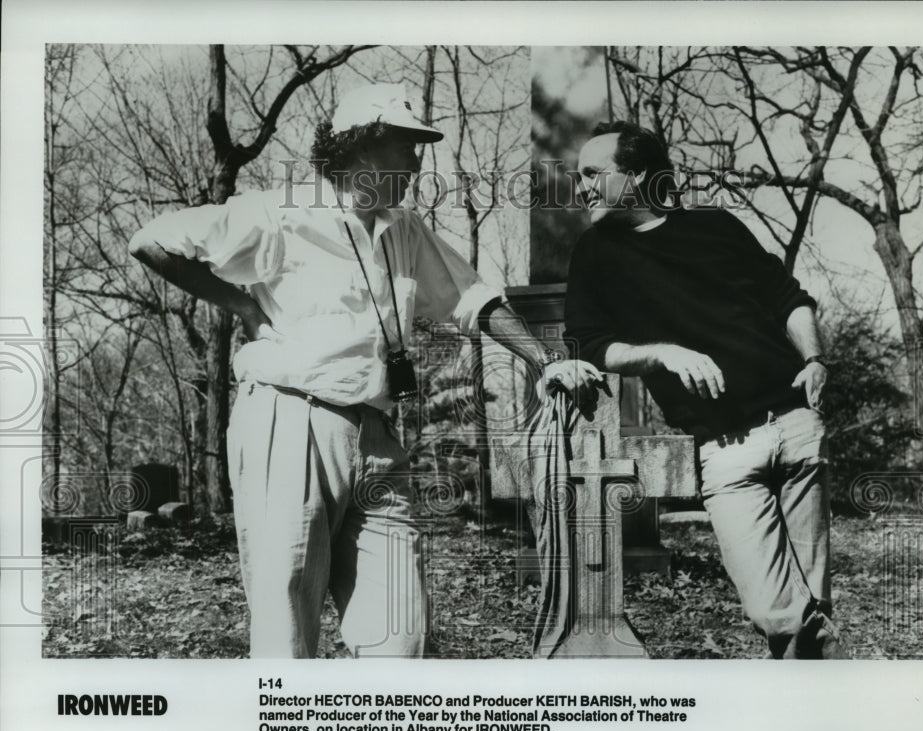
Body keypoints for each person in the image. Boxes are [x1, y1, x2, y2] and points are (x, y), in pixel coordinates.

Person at [129, 82, 599, 658]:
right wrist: (242, 306)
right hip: (289, 424)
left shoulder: (404, 228)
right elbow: (152, 241)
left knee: (399, 638)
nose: (417, 161)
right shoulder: (281, 212)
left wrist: (546, 361)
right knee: (286, 632)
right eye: (406, 146)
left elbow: (474, 298)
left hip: (378, 437)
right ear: (360, 147)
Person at [562, 120, 846, 659]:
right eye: (579, 176)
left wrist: (813, 359)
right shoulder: (595, 254)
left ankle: (817, 721)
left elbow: (789, 297)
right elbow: (591, 345)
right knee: (774, 611)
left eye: (594, 173)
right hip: (725, 451)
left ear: (640, 177)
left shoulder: (717, 226)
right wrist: (663, 352)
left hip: (797, 425)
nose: (581, 186)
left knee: (811, 609)